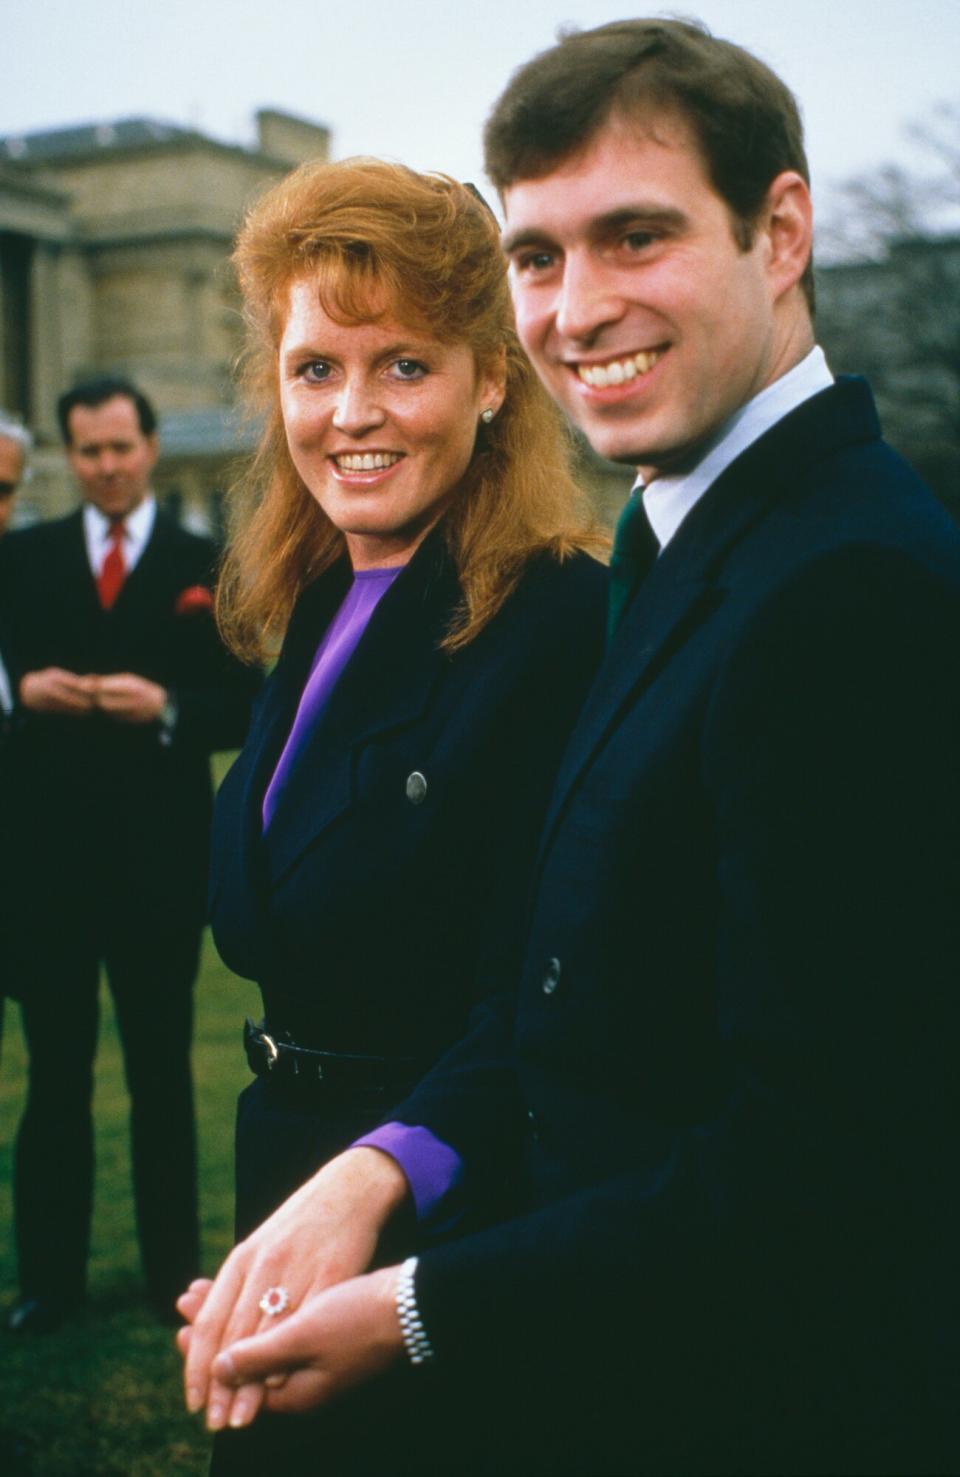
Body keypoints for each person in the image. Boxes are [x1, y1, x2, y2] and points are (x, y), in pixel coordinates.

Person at [180, 20, 960, 1476]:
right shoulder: (681, 538)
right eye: (539, 256)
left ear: (781, 230)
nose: (578, 307)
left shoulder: (852, 588)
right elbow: (578, 998)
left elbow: (831, 1165)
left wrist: (414, 1302)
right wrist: (362, 1172)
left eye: (637, 235)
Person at [190, 155, 606, 1470]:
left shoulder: (558, 624)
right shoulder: (315, 604)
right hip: (292, 1186)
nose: (352, 413)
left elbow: (553, 997)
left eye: (404, 366)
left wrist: (382, 1175)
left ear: (494, 379)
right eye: (317, 369)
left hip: (451, 1228)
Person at [0, 376, 260, 1333]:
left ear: (149, 447)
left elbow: (250, 703)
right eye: (88, 452)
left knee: (160, 1075)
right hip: (48, 871)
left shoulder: (206, 561)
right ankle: (51, 1285)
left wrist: (169, 712)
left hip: (158, 869)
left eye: (121, 448)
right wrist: (22, 692)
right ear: (71, 457)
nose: (106, 468)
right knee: (54, 1076)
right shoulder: (21, 558)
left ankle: (169, 1282)